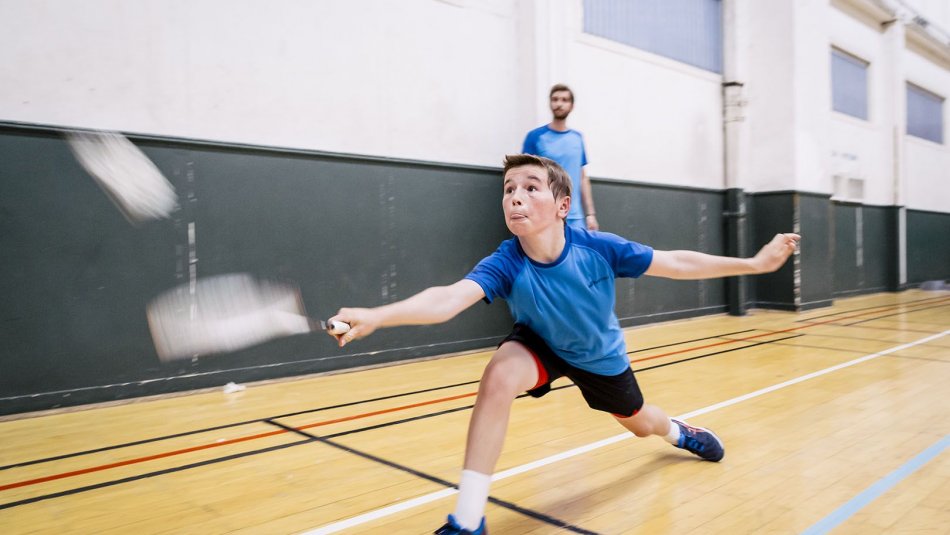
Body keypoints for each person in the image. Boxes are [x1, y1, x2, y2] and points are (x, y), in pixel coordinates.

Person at [328, 154, 800, 535]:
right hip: (540, 343)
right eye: (509, 189)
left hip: (599, 356)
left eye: (531, 187)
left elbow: (677, 262)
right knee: (498, 376)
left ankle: (678, 432)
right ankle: (468, 521)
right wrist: (377, 316)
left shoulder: (597, 247)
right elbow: (449, 299)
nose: (516, 197)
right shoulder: (506, 260)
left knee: (642, 424)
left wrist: (756, 265)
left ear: (561, 205)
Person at [522, 83, 598, 231]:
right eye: (555, 99)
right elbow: (525, 176)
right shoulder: (535, 137)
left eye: (564, 100)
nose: (559, 104)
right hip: (544, 214)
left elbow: (582, 178)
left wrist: (590, 214)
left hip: (575, 217)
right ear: (550, 103)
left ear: (571, 105)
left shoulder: (577, 138)